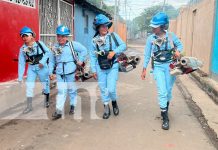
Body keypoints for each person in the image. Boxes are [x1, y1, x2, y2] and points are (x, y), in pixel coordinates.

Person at [141, 12, 183, 130]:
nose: (153, 28)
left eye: (156, 26)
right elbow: (147, 54)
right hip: (158, 67)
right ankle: (165, 117)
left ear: (163, 26)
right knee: (162, 91)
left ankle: (165, 108)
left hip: (170, 66)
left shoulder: (171, 36)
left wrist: (178, 51)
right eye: (153, 26)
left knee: (168, 91)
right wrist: (144, 68)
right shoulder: (150, 38)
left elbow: (180, 46)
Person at [89, 14, 126, 119]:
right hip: (100, 67)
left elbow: (123, 45)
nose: (105, 28)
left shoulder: (113, 36)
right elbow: (92, 56)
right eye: (102, 26)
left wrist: (114, 52)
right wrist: (93, 70)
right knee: (103, 89)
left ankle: (114, 102)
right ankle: (106, 107)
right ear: (98, 28)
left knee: (111, 89)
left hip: (113, 66)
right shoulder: (94, 40)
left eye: (106, 26)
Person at [49, 25, 87, 120]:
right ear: (57, 36)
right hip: (60, 74)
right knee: (61, 91)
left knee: (72, 90)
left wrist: (81, 60)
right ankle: (58, 111)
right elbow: (52, 61)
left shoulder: (72, 45)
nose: (61, 38)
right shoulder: (54, 48)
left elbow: (84, 50)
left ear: (67, 37)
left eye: (63, 36)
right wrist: (50, 72)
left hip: (71, 73)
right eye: (59, 36)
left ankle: (73, 105)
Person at [18, 26, 50, 114]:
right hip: (31, 68)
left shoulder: (39, 43)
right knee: (29, 85)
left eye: (26, 36)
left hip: (42, 67)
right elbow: (21, 63)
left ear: (31, 36)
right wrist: (20, 77)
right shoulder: (22, 49)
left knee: (45, 84)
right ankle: (29, 106)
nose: (24, 38)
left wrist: (43, 62)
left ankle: (47, 99)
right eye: (22, 36)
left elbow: (48, 52)